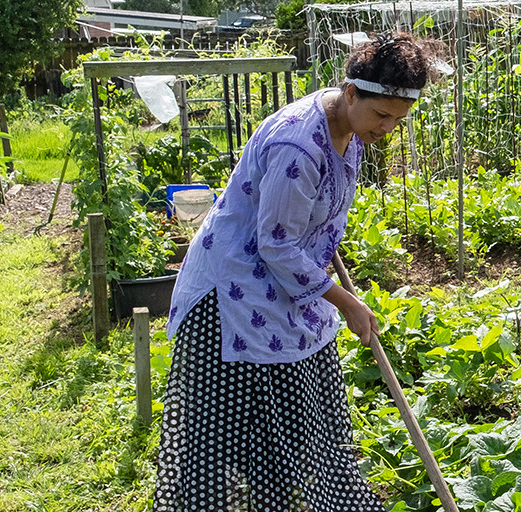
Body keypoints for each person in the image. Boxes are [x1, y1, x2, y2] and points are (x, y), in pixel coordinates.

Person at [152, 32, 442, 511]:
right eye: (381, 115)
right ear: (351, 92)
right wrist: (347, 302)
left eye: (398, 120)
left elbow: (314, 219)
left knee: (292, 432)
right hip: (231, 301)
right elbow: (276, 246)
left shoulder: (349, 130)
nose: (388, 128)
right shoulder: (298, 144)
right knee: (218, 446)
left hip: (281, 294)